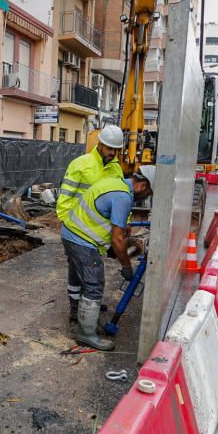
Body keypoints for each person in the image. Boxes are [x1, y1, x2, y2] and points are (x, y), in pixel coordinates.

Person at [61, 165, 156, 350]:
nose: (146, 197)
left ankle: (81, 314)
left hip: (71, 232)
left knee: (80, 277)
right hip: (82, 240)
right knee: (94, 284)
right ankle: (86, 334)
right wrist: (127, 266)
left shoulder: (115, 183)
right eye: (148, 193)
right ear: (142, 185)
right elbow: (117, 239)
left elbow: (105, 216)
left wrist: (122, 226)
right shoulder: (123, 197)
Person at [57, 125, 125, 324]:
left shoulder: (116, 169)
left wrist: (121, 225)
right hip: (78, 229)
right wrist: (68, 225)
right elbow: (65, 198)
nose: (112, 153)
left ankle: (88, 302)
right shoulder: (80, 164)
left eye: (116, 150)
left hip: (97, 232)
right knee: (76, 269)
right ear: (100, 144)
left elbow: (119, 199)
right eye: (109, 148)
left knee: (87, 270)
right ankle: (75, 307)